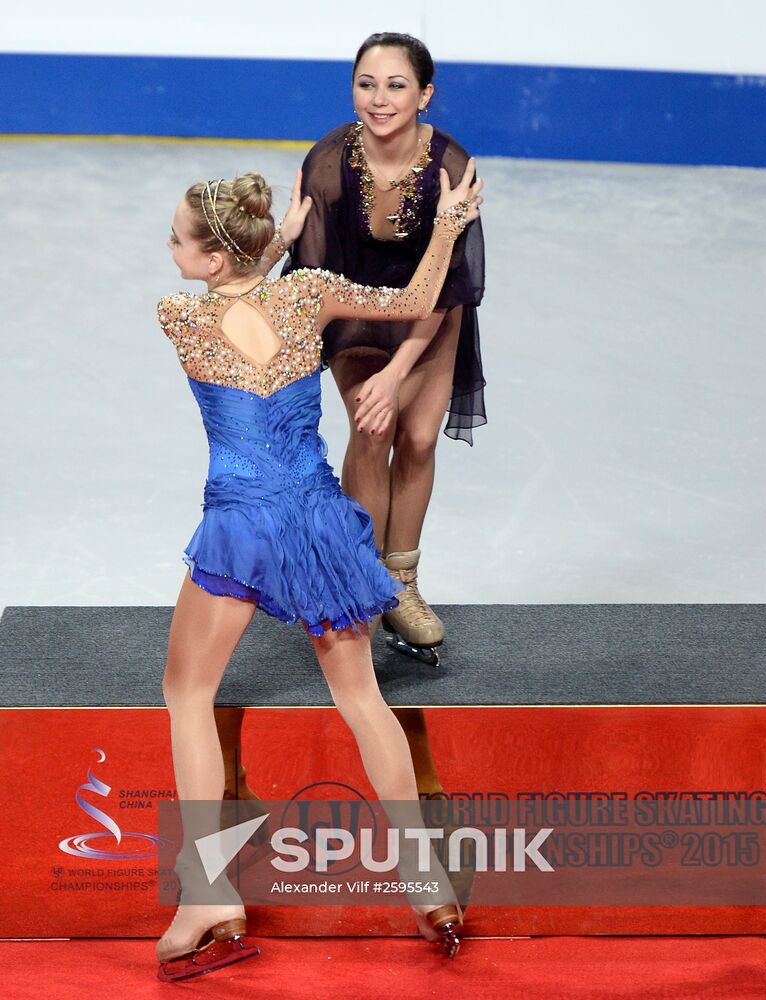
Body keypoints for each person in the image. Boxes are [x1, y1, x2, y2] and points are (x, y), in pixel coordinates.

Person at [154, 161, 482, 982]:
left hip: (244, 527)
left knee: (187, 693)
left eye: (178, 239)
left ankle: (208, 897)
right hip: (321, 522)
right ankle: (429, 887)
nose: (169, 249)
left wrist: (270, 254)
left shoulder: (177, 318)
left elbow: (234, 303)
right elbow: (414, 304)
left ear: (213, 258)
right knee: (361, 698)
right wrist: (446, 226)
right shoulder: (309, 295)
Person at [285, 31, 486, 665]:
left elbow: (452, 285)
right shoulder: (328, 161)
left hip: (430, 318)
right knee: (372, 431)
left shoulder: (452, 166)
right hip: (356, 316)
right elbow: (313, 282)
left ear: (425, 94)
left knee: (420, 439)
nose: (379, 98)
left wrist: (400, 370)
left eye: (396, 85)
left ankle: (401, 585)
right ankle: (358, 583)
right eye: (366, 84)